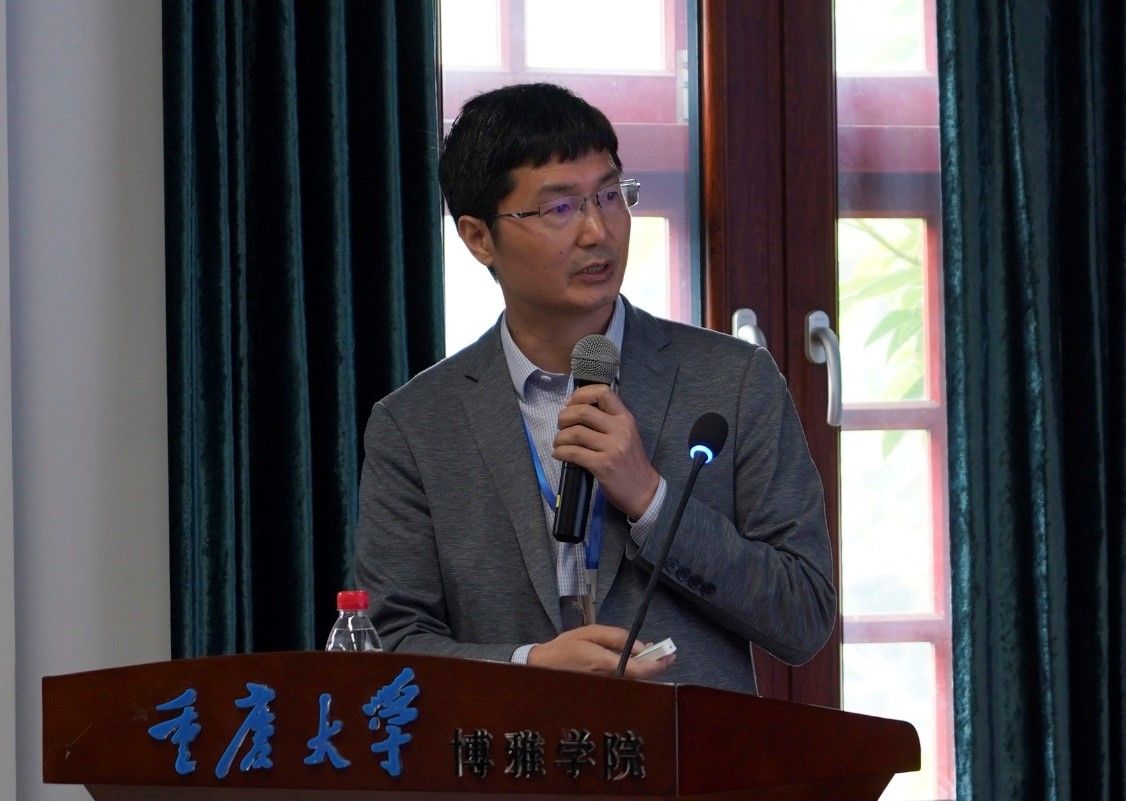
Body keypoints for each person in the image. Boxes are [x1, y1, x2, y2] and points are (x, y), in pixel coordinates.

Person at [355, 83, 835, 694]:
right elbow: (391, 642)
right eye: (560, 208)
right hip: (512, 750)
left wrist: (651, 500)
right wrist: (530, 665)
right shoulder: (416, 424)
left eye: (610, 196)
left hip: (691, 750)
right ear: (479, 237)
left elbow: (803, 615)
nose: (597, 231)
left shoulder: (734, 383)